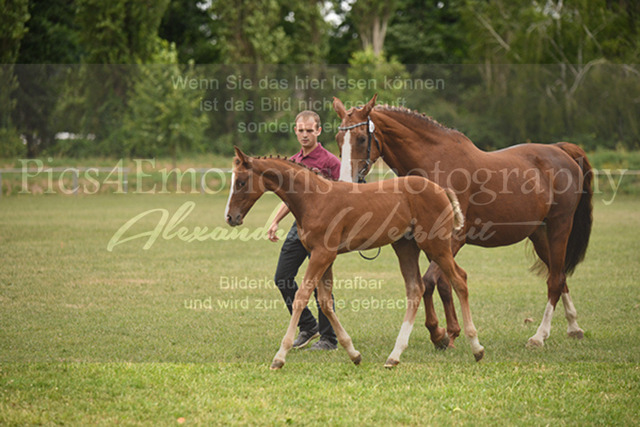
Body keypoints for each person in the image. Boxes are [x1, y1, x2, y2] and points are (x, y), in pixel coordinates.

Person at [267, 111, 341, 350]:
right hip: (298, 228)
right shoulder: (293, 162)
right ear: (295, 131)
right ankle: (308, 326)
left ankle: (329, 338)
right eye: (301, 130)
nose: (305, 135)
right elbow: (289, 199)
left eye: (310, 130)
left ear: (318, 131)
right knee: (282, 277)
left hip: (323, 230)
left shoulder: (331, 162)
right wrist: (275, 221)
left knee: (320, 281)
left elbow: (348, 194)